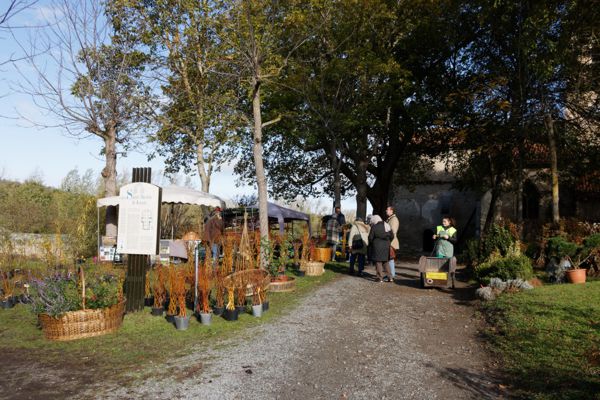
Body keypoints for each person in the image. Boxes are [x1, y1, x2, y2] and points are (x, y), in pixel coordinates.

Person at [368, 215, 394, 282]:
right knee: (386, 261)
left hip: (377, 246)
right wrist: (388, 242)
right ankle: (390, 277)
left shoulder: (374, 227)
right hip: (386, 246)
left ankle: (379, 278)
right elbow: (392, 236)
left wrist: (372, 243)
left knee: (378, 261)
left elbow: (370, 237)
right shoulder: (387, 225)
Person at [385, 206, 399, 281]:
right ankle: (390, 274)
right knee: (389, 258)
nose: (386, 210)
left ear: (391, 211)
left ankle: (391, 275)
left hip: (391, 242)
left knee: (390, 258)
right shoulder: (390, 219)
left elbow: (392, 232)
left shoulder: (394, 219)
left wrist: (387, 240)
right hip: (389, 241)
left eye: (387, 209)